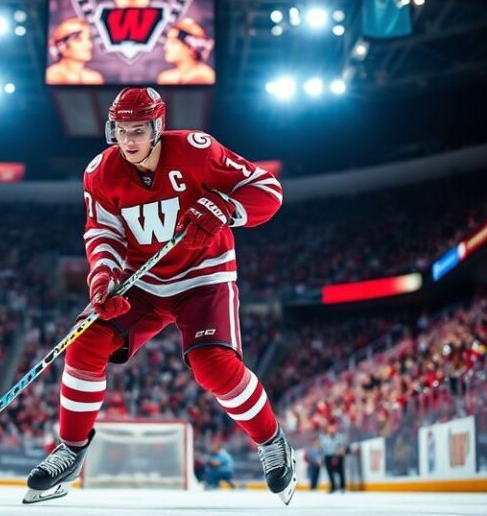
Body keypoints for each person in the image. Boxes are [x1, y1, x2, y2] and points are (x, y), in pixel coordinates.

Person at [25, 87, 295, 505]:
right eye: (120, 130)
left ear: (158, 126)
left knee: (214, 368)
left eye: (138, 130)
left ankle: (272, 442)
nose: (128, 140)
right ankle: (71, 450)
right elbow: (103, 233)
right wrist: (103, 276)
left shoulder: (197, 151)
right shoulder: (100, 171)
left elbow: (268, 191)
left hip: (202, 277)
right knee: (84, 346)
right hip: (140, 283)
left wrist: (227, 208)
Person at [157, 18, 215, 85]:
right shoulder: (166, 78)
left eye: (173, 42)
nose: (166, 47)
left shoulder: (203, 77)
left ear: (190, 48)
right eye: (167, 41)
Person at [46, 18, 104, 85]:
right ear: (61, 46)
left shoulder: (94, 78)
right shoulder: (51, 77)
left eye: (88, 39)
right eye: (78, 40)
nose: (89, 45)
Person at [320, 422, 347, 493]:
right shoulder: (324, 438)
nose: (332, 430)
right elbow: (323, 449)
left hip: (338, 456)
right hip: (328, 456)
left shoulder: (340, 436)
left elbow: (342, 447)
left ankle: (342, 487)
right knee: (330, 472)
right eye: (330, 428)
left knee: (341, 471)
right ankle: (333, 486)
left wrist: (337, 456)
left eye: (333, 428)